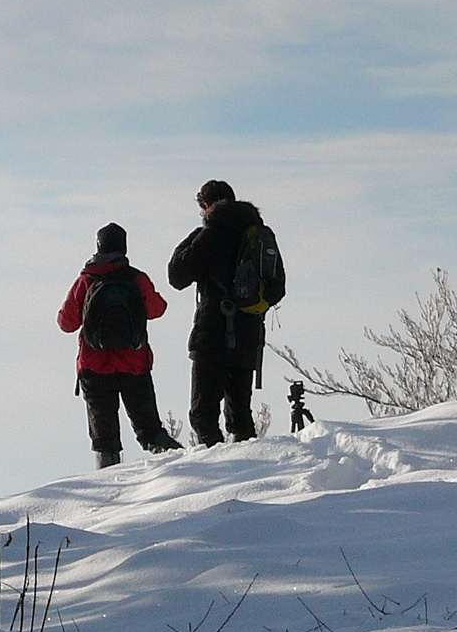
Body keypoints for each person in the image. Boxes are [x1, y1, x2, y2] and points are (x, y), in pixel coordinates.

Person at [167, 179, 286, 446]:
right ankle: (246, 467)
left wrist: (198, 233)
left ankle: (217, 475)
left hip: (212, 334)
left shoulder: (211, 236)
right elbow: (278, 288)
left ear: (207, 206)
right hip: (249, 333)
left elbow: (176, 275)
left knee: (203, 416)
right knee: (240, 415)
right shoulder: (258, 234)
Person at [58, 222, 182, 468]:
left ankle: (110, 488)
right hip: (134, 364)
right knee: (150, 431)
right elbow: (158, 309)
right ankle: (184, 469)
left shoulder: (85, 280)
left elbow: (66, 322)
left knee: (105, 440)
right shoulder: (136, 278)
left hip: (94, 367)